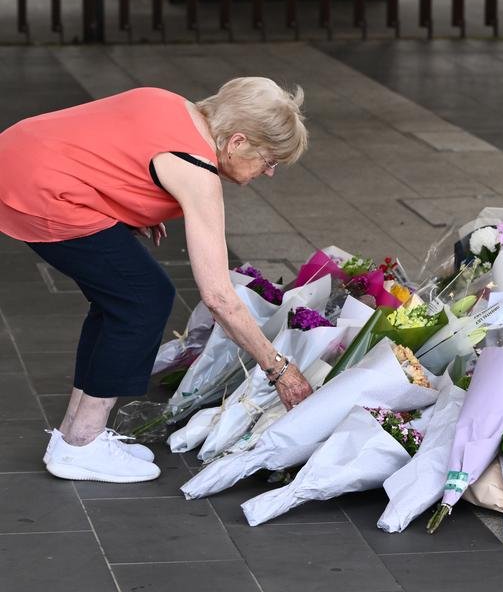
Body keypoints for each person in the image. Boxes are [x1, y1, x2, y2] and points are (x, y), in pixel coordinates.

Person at [0, 77, 313, 484]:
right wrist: (279, 370)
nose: (269, 172)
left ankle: (75, 436)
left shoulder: (171, 103)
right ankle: (81, 445)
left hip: (16, 153)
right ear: (236, 142)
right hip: (38, 189)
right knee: (142, 299)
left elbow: (107, 150)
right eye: (269, 160)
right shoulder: (198, 173)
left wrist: (132, 208)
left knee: (120, 294)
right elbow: (219, 297)